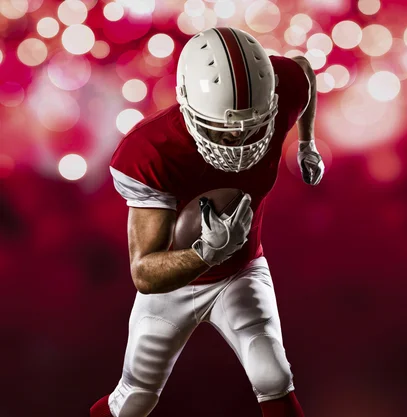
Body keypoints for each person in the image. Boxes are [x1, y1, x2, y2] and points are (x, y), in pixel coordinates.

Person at [90, 27, 324, 417]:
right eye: (227, 127)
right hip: (174, 289)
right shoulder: (150, 151)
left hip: (241, 269)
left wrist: (306, 142)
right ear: (186, 103)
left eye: (252, 125)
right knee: (135, 399)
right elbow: (145, 273)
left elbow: (303, 70)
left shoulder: (284, 92)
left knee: (273, 375)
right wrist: (205, 253)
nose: (241, 139)